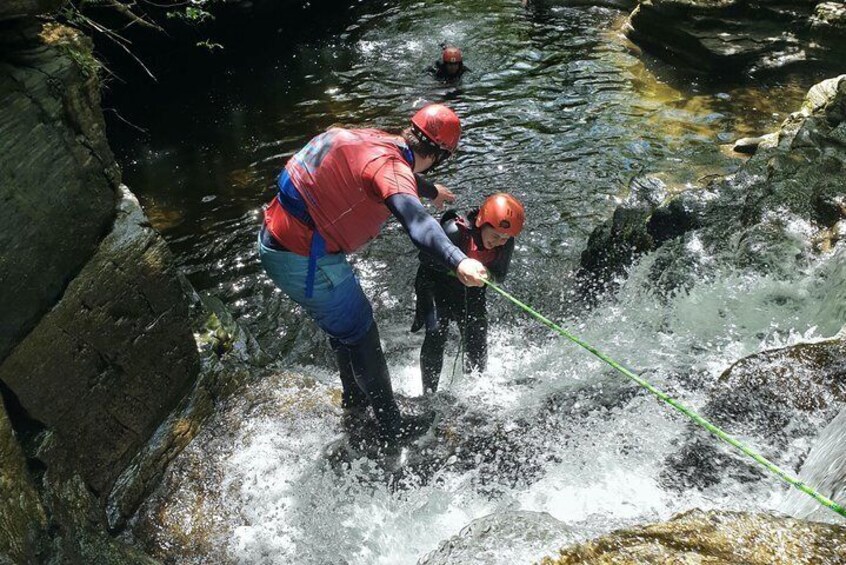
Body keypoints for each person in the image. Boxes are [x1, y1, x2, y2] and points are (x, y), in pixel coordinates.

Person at [258, 104, 489, 451]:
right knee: (361, 331)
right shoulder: (390, 167)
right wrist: (459, 260)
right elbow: (417, 221)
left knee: (345, 329)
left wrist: (430, 191)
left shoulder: (371, 139)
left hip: (280, 238)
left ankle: (355, 401)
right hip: (304, 258)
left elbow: (395, 175)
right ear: (440, 154)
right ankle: (391, 427)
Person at [411, 193, 525, 393]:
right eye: (495, 235)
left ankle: (476, 389)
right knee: (437, 332)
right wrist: (457, 266)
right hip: (434, 283)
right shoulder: (454, 232)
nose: (499, 242)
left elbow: (499, 275)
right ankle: (428, 393)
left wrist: (485, 275)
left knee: (477, 333)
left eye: (504, 238)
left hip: (472, 287)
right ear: (482, 223)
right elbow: (425, 258)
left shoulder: (505, 244)